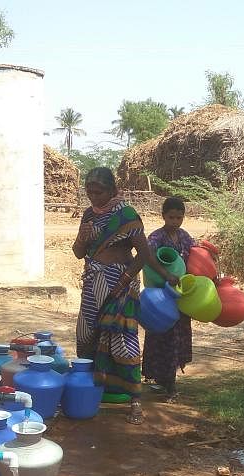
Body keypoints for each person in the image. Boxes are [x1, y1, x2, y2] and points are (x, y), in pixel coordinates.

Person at [72, 167, 178, 424]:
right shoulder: (88, 215)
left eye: (98, 192)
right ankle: (94, 392)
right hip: (93, 282)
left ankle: (134, 401)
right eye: (89, 191)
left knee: (122, 340)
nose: (93, 197)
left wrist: (130, 278)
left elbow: (143, 253)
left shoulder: (127, 215)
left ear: (112, 191)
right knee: (86, 335)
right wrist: (81, 237)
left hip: (121, 283)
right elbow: (78, 252)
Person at [142, 197, 194, 402]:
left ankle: (168, 380)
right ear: (163, 216)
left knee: (177, 336)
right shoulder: (156, 237)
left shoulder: (185, 236)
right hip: (160, 298)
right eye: (171, 217)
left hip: (180, 297)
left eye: (179, 218)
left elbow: (196, 255)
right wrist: (166, 275)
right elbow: (146, 255)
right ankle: (166, 382)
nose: (175, 221)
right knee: (162, 337)